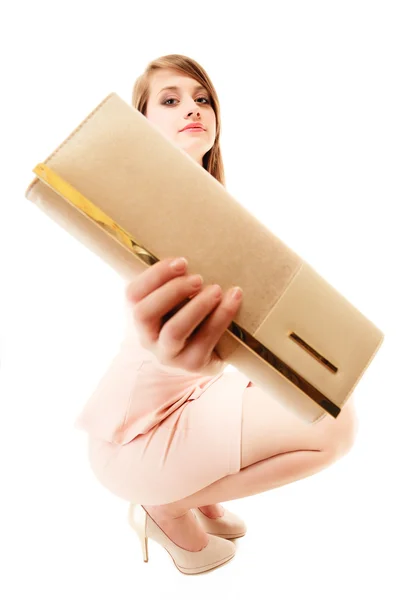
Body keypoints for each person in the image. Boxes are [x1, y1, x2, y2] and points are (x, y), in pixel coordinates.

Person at [75, 54, 359, 574]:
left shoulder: (209, 204)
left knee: (319, 397)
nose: (193, 108)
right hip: (137, 439)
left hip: (186, 399)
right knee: (335, 429)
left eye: (202, 98)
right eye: (170, 100)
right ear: (141, 123)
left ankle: (193, 490)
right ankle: (167, 504)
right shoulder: (148, 202)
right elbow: (156, 317)